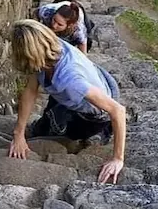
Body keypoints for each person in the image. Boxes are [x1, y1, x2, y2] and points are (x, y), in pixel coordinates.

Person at [8, 19, 126, 184]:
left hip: (93, 110)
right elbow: (31, 90)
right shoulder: (48, 48)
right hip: (84, 84)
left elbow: (117, 110)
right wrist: (18, 134)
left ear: (30, 55)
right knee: (42, 127)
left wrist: (117, 159)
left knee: (63, 135)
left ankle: (102, 132)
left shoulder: (71, 81)